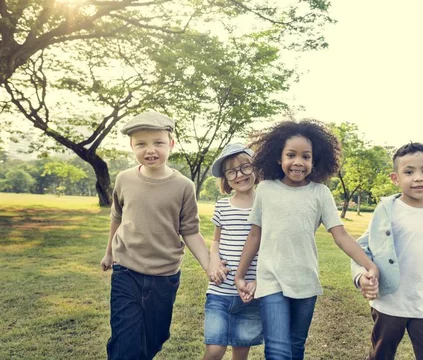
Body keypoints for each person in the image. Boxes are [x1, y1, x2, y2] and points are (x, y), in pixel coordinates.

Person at [233, 119, 380, 360]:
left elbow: (340, 235)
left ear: (315, 161)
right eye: (291, 155)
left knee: (295, 347)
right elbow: (254, 235)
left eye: (306, 156)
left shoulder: (320, 193)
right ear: (279, 158)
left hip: (305, 281)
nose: (298, 162)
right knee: (278, 351)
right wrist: (240, 274)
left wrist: (369, 265)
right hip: (271, 280)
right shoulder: (266, 189)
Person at [100, 111, 215, 359]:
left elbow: (190, 231)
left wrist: (209, 266)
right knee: (124, 342)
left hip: (165, 276)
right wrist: (109, 252)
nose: (150, 150)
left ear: (171, 144)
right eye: (141, 143)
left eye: (158, 143)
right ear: (132, 146)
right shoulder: (124, 179)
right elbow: (117, 217)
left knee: (154, 339)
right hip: (126, 271)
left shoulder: (184, 186)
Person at [351, 142, 423, 360]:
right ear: (395, 178)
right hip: (390, 304)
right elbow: (361, 248)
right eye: (409, 172)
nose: (418, 178)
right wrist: (361, 276)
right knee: (381, 354)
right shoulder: (387, 210)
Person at [203, 143, 263, 360]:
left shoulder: (265, 205)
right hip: (220, 289)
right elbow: (216, 241)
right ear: (225, 179)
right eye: (231, 171)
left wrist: (258, 280)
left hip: (250, 292)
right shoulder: (222, 206)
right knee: (214, 349)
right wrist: (214, 260)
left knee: (240, 352)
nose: (239, 175)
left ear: (256, 169)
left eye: (245, 167)